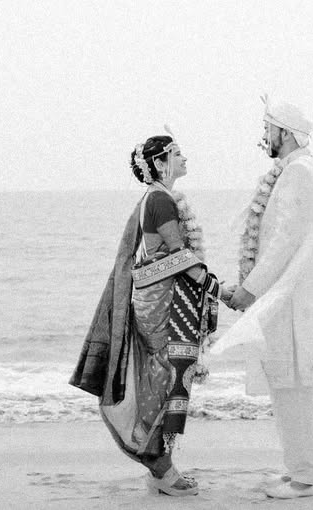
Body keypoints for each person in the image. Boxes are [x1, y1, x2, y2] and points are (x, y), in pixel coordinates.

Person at [70, 134, 220, 497]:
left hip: (157, 299)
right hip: (161, 303)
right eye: (177, 154)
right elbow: (178, 255)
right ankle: (159, 465)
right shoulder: (160, 200)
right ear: (160, 163)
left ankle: (160, 465)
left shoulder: (155, 197)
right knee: (163, 378)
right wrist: (217, 287)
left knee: (159, 375)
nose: (185, 158)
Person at [215, 98, 313, 500]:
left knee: (291, 388)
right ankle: (297, 470)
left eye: (269, 129)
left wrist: (249, 289)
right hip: (281, 298)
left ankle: (306, 479)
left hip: (287, 301)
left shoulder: (299, 171)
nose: (264, 137)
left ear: (286, 133)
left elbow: (284, 241)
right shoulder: (293, 170)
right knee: (283, 386)